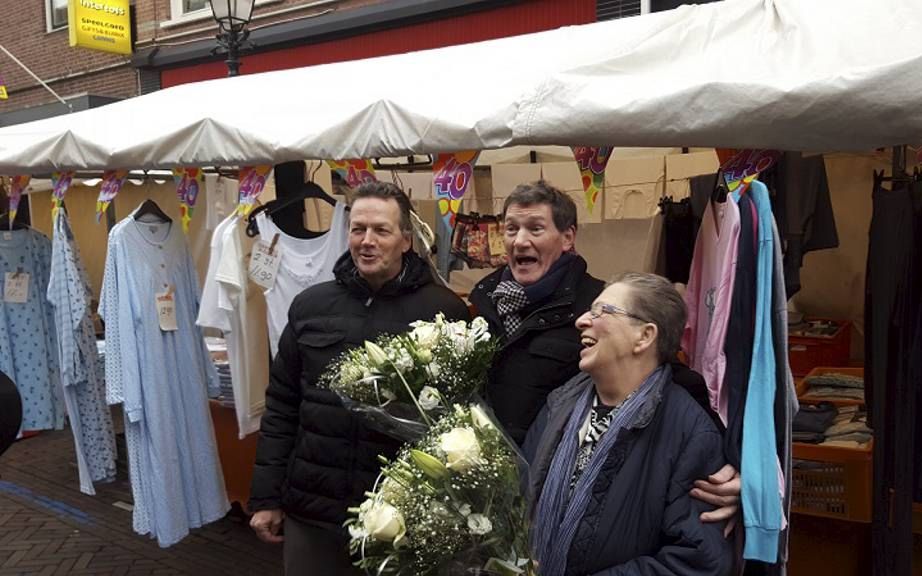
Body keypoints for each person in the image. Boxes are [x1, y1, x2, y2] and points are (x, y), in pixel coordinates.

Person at [469, 180, 740, 524]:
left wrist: (733, 461)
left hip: (564, 489)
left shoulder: (599, 308)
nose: (520, 240)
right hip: (487, 488)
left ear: (568, 238)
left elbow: (668, 376)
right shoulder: (484, 303)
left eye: (535, 228)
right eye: (511, 228)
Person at [248, 182, 470, 575]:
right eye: (357, 229)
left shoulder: (443, 311)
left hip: (401, 516)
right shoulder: (311, 305)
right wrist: (266, 497)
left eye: (380, 230)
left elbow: (459, 422)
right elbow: (282, 405)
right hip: (314, 512)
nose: (366, 241)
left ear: (405, 240)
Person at [526, 272, 733, 576]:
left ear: (645, 336)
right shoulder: (559, 405)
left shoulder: (689, 432)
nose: (582, 320)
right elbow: (518, 498)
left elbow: (699, 560)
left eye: (602, 312)